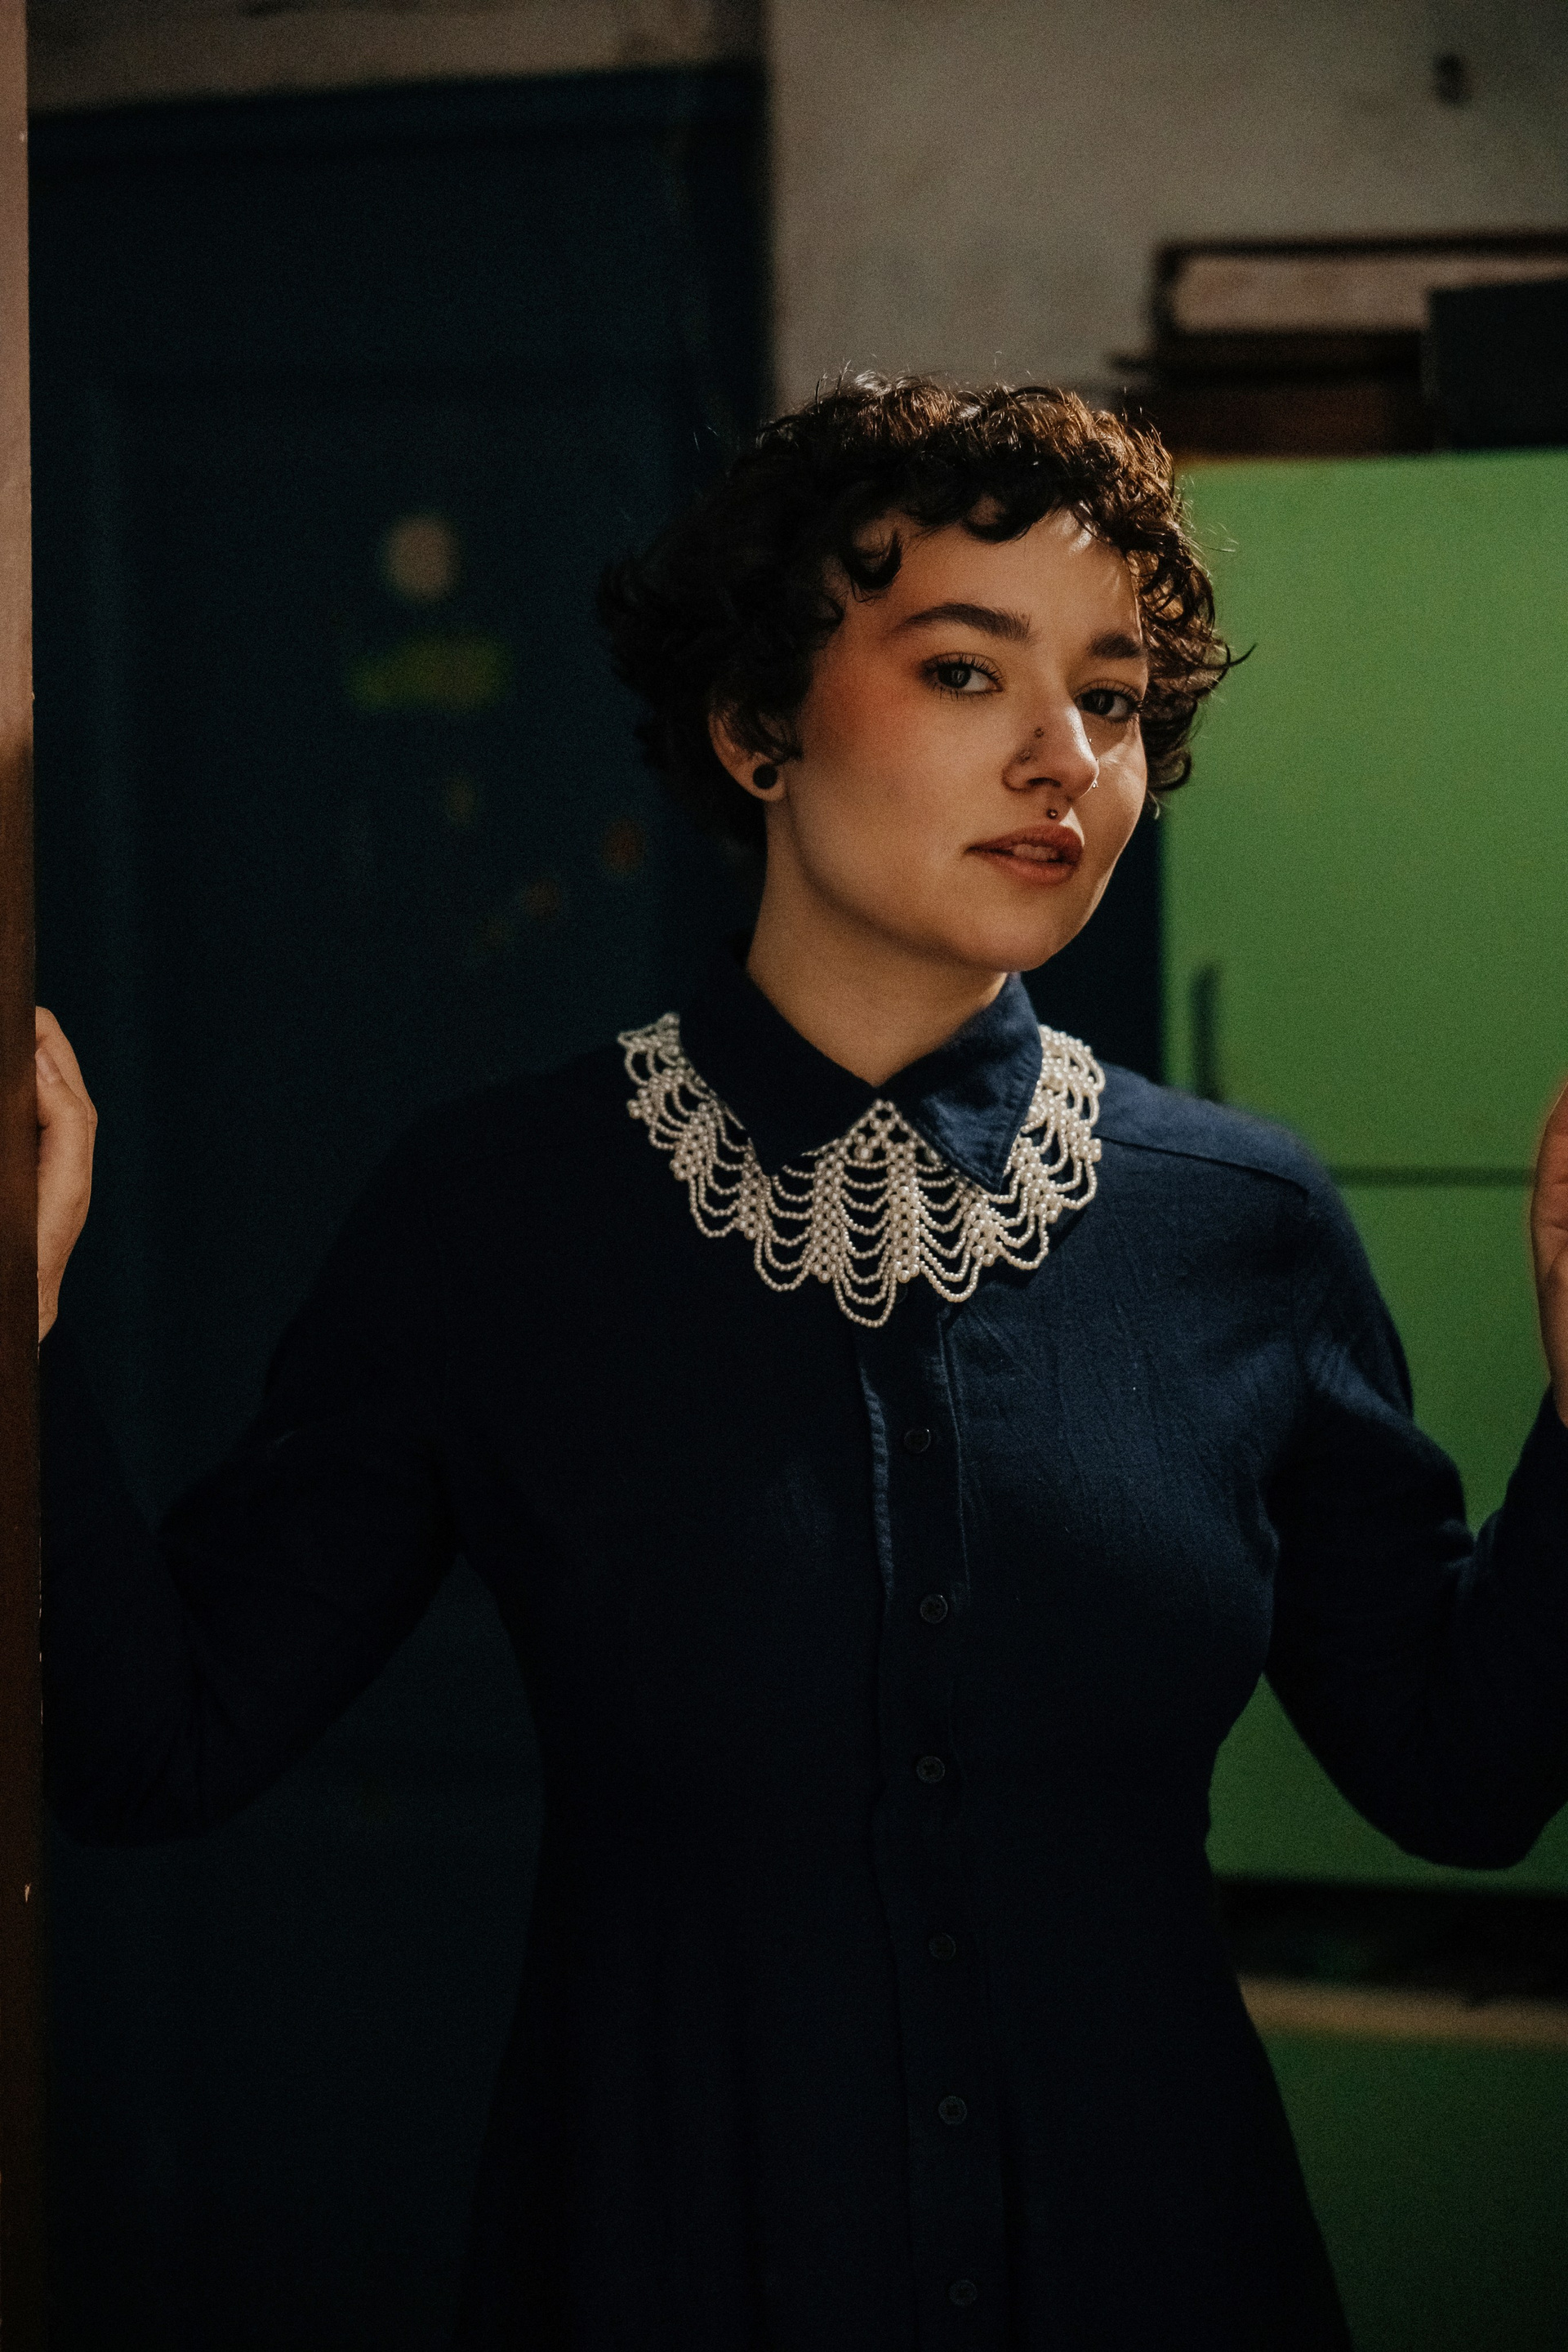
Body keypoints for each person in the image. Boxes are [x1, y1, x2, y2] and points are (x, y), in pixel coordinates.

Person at [33, 376, 1568, 2352]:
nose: (1066, 758)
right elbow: (152, 1744)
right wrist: (18, 1333)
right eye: (965, 670)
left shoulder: (1243, 1228)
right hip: (667, 2263)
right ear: (755, 723)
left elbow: (1464, 1779)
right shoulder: (499, 1216)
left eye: (1113, 698)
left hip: (1162, 2267)